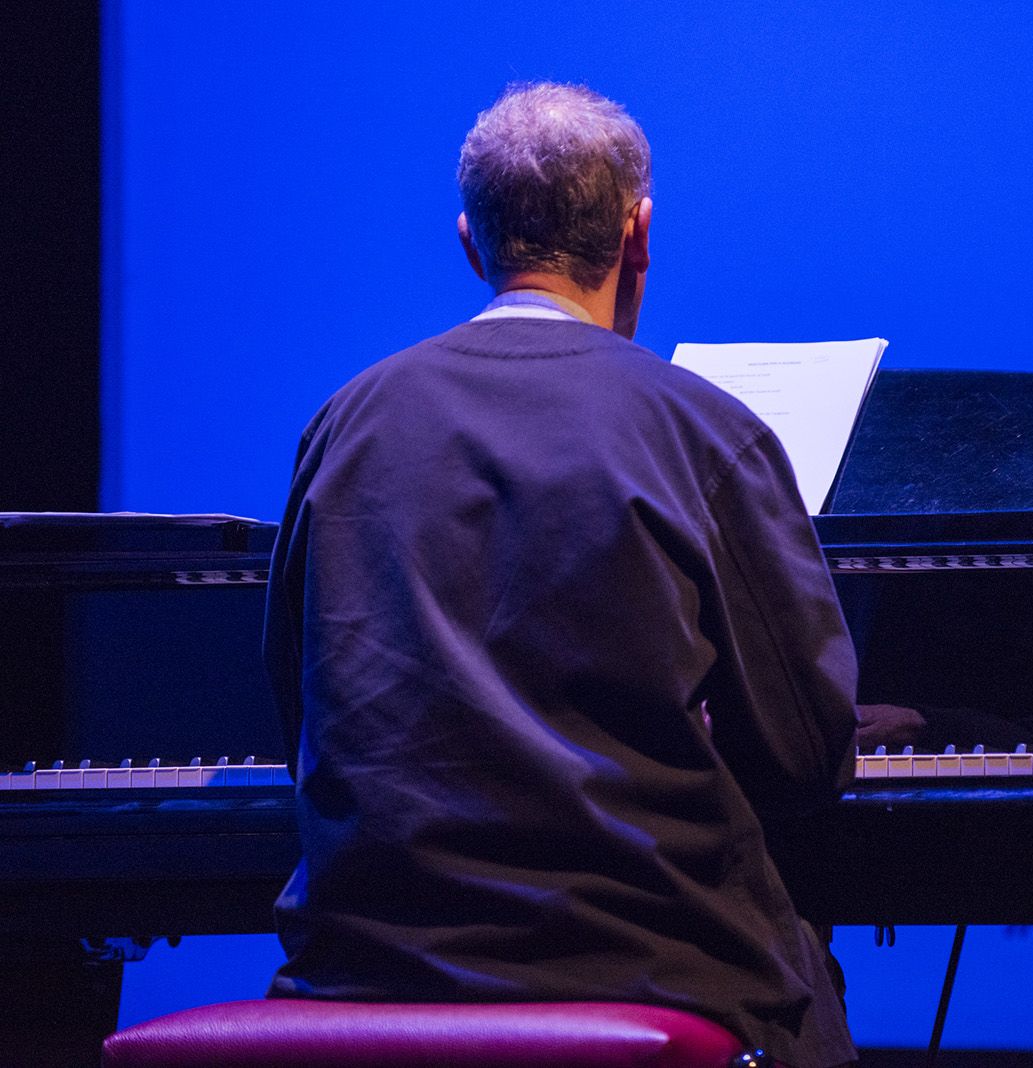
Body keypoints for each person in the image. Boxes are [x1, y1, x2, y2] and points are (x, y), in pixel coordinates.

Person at [263, 82, 859, 1068]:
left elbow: (301, 712)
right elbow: (800, 759)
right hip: (651, 966)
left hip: (372, 968)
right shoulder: (700, 429)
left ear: (470, 242)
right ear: (639, 234)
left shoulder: (344, 426)